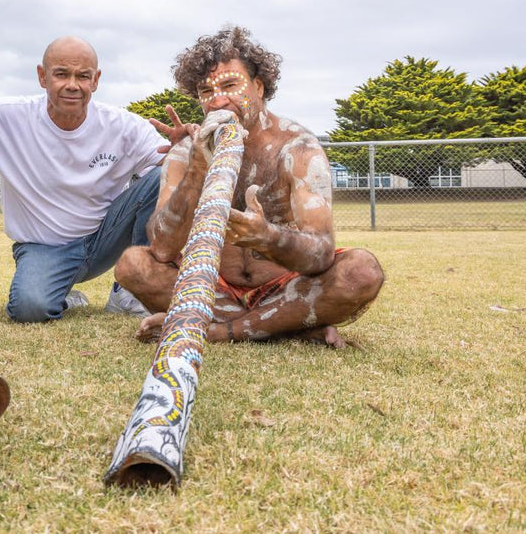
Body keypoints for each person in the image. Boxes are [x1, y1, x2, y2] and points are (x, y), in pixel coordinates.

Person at [114, 26, 384, 348]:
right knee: (133, 265)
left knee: (361, 271)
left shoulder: (297, 148)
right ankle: (283, 326)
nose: (218, 101)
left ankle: (218, 330)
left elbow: (321, 254)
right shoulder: (187, 152)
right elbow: (161, 249)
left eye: (230, 85)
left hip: (288, 287)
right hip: (215, 289)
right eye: (205, 91)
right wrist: (197, 171)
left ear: (259, 86)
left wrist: (269, 237)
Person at [0, 34, 168, 323]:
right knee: (29, 309)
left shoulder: (122, 125)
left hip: (105, 236)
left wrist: (188, 147)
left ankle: (129, 291)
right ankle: (62, 294)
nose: (72, 85)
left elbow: (174, 168)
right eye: (61, 74)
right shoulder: (9, 117)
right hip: (45, 247)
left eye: (83, 76)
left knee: (163, 174)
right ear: (42, 76)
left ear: (96, 80)